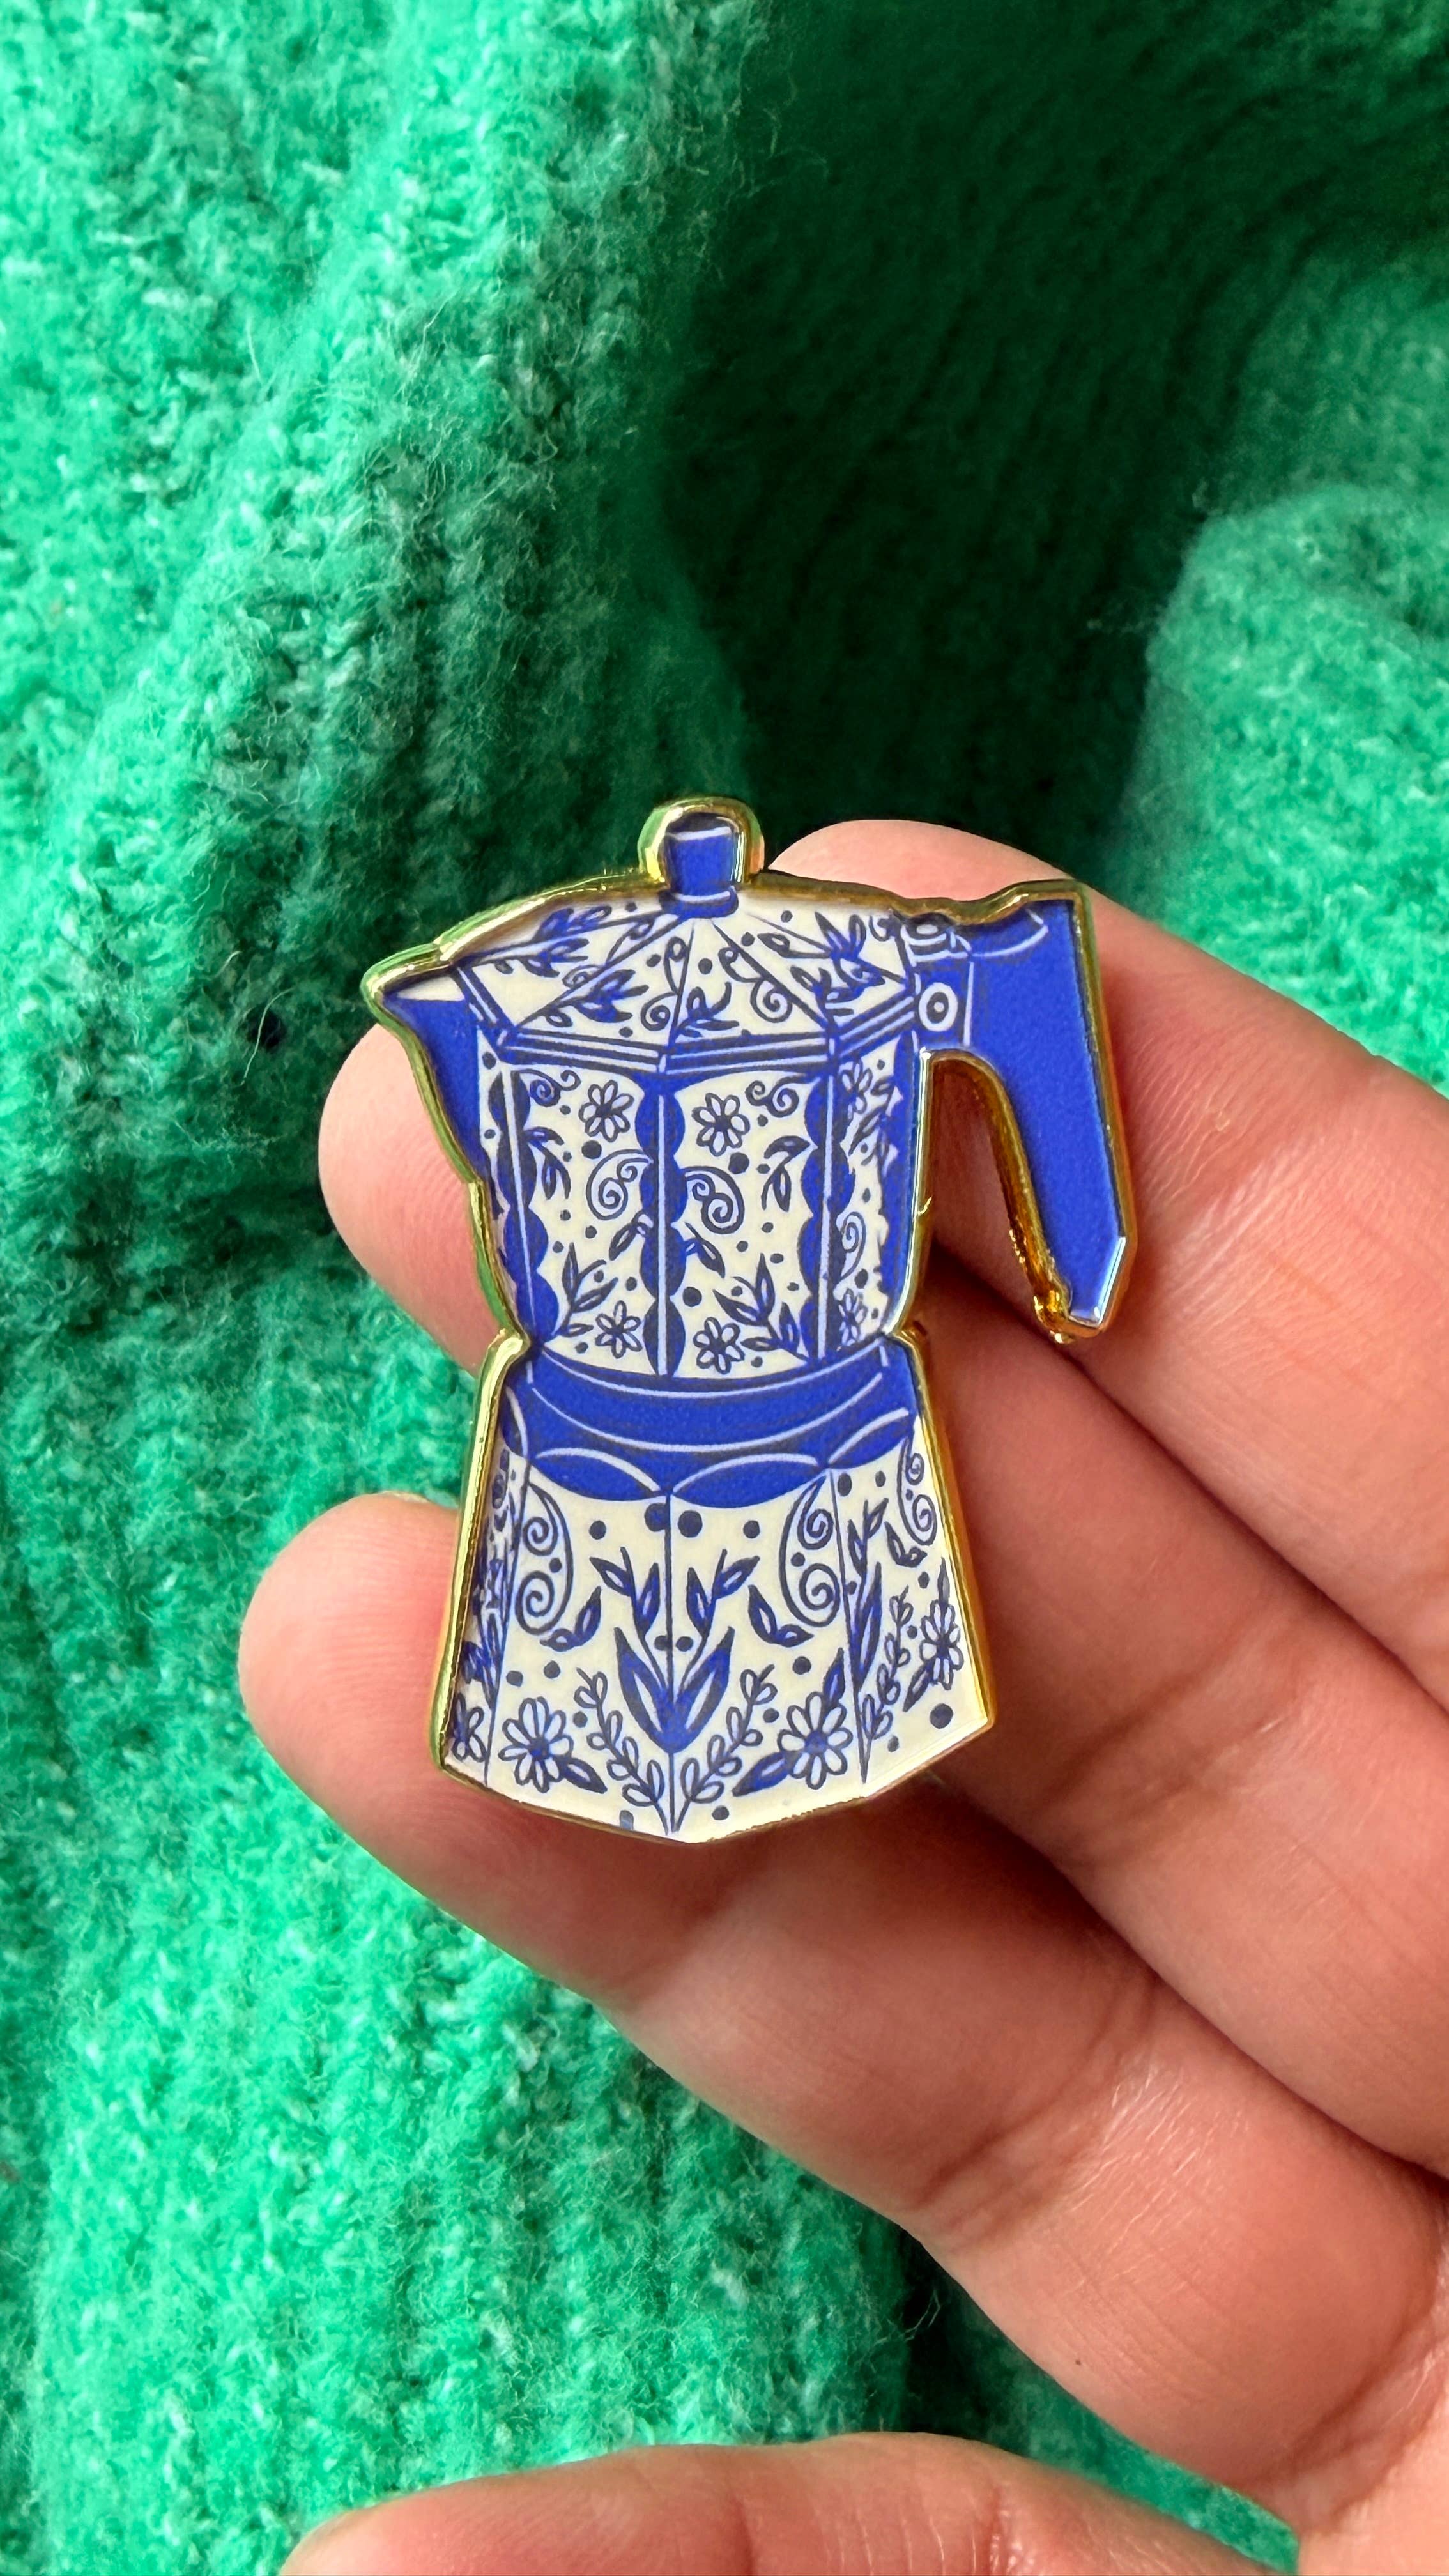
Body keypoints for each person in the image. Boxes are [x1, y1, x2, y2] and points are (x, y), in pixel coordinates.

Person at [241, 818, 1449, 2575]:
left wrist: (1080, 1252)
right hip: (603, 1442)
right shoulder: (648, 995)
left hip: (828, 1432)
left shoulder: (847, 978)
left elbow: (1024, 968)